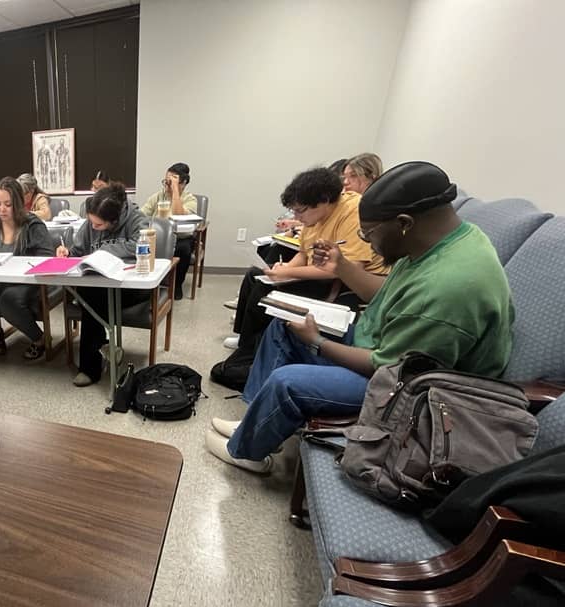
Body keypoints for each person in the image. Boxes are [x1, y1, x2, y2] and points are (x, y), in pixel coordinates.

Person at [205, 161, 514, 474]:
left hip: (410, 390)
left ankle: (247, 452)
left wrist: (318, 342)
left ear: (404, 222)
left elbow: (389, 368)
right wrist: (342, 266)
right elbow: (386, 294)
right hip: (385, 344)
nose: (368, 245)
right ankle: (254, 423)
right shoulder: (442, 240)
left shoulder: (450, 286)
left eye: (369, 236)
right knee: (281, 326)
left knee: (288, 382)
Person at [218, 167, 386, 386]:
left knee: (267, 290)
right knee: (256, 276)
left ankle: (253, 356)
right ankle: (247, 344)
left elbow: (342, 269)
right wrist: (284, 268)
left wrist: (287, 273)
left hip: (346, 283)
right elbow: (304, 252)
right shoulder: (315, 218)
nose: (296, 218)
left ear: (325, 200)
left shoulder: (352, 211)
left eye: (301, 211)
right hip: (326, 275)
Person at [56, 182, 149, 386]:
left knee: (92, 299)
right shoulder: (92, 221)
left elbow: (139, 245)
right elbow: (78, 248)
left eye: (98, 225)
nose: (93, 228)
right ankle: (104, 347)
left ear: (114, 221)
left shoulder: (137, 219)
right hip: (98, 285)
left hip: (131, 286)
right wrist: (68, 253)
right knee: (91, 295)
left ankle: (91, 367)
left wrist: (103, 251)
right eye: (92, 223)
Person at [0, 177, 55, 360]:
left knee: (9, 300)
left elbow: (47, 256)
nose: (2, 209)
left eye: (8, 204)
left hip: (26, 280)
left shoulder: (32, 224)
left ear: (19, 203)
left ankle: (39, 339)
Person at [140, 163, 198, 299]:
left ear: (183, 183)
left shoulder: (190, 199)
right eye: (166, 181)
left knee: (184, 249)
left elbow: (179, 214)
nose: (167, 184)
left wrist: (175, 191)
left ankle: (176, 285)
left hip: (180, 237)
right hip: (157, 236)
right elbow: (142, 213)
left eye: (171, 181)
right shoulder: (159, 196)